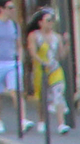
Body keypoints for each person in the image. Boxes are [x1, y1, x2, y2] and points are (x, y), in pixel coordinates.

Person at [23, 4, 65, 133]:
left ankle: (61, 124)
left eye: (52, 20)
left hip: (55, 69)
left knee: (58, 95)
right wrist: (41, 62)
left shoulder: (56, 37)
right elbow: (32, 52)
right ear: (40, 22)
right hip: (40, 69)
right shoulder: (34, 35)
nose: (51, 23)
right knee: (42, 97)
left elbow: (61, 55)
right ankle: (42, 120)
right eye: (48, 20)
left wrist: (66, 44)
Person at [0, 0, 20, 134]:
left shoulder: (14, 25)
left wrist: (20, 59)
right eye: (10, 7)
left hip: (12, 62)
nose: (13, 10)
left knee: (15, 91)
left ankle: (22, 120)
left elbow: (18, 44)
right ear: (1, 9)